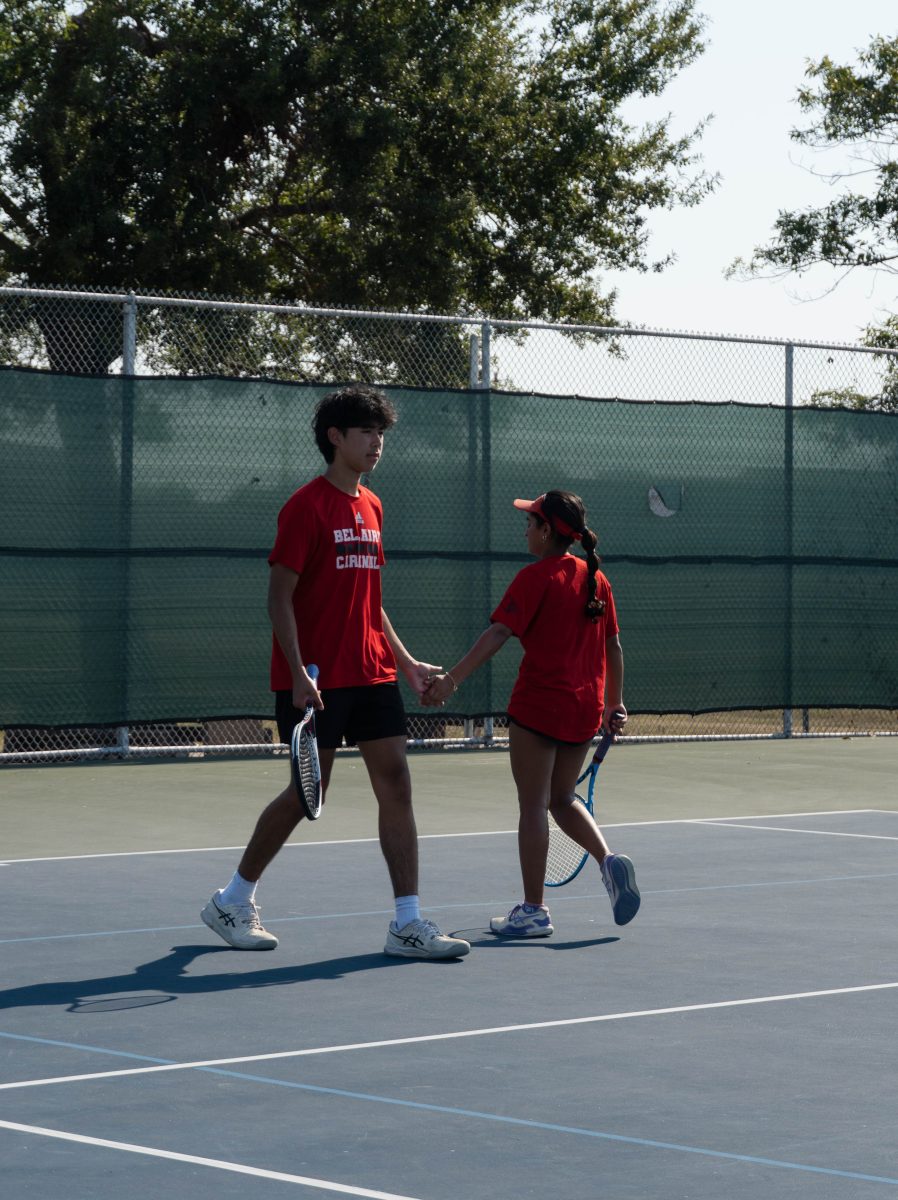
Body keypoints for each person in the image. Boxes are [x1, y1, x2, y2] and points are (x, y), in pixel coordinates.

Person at [202, 384, 470, 960]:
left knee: (397, 784)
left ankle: (408, 923)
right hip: (318, 680)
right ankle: (232, 898)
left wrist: (406, 663)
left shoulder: (372, 505)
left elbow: (370, 599)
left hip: (371, 673)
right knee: (308, 793)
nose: (377, 443)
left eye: (382, 433)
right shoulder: (304, 507)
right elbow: (279, 597)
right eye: (366, 432)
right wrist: (298, 673)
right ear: (335, 438)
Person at [423, 490, 640, 937]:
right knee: (561, 800)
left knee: (533, 806)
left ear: (547, 531)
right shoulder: (597, 579)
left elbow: (498, 633)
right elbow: (613, 646)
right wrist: (613, 704)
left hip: (538, 709)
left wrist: (450, 681)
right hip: (584, 711)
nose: (524, 529)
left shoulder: (535, 578)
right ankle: (609, 861)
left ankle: (534, 910)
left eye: (530, 523)